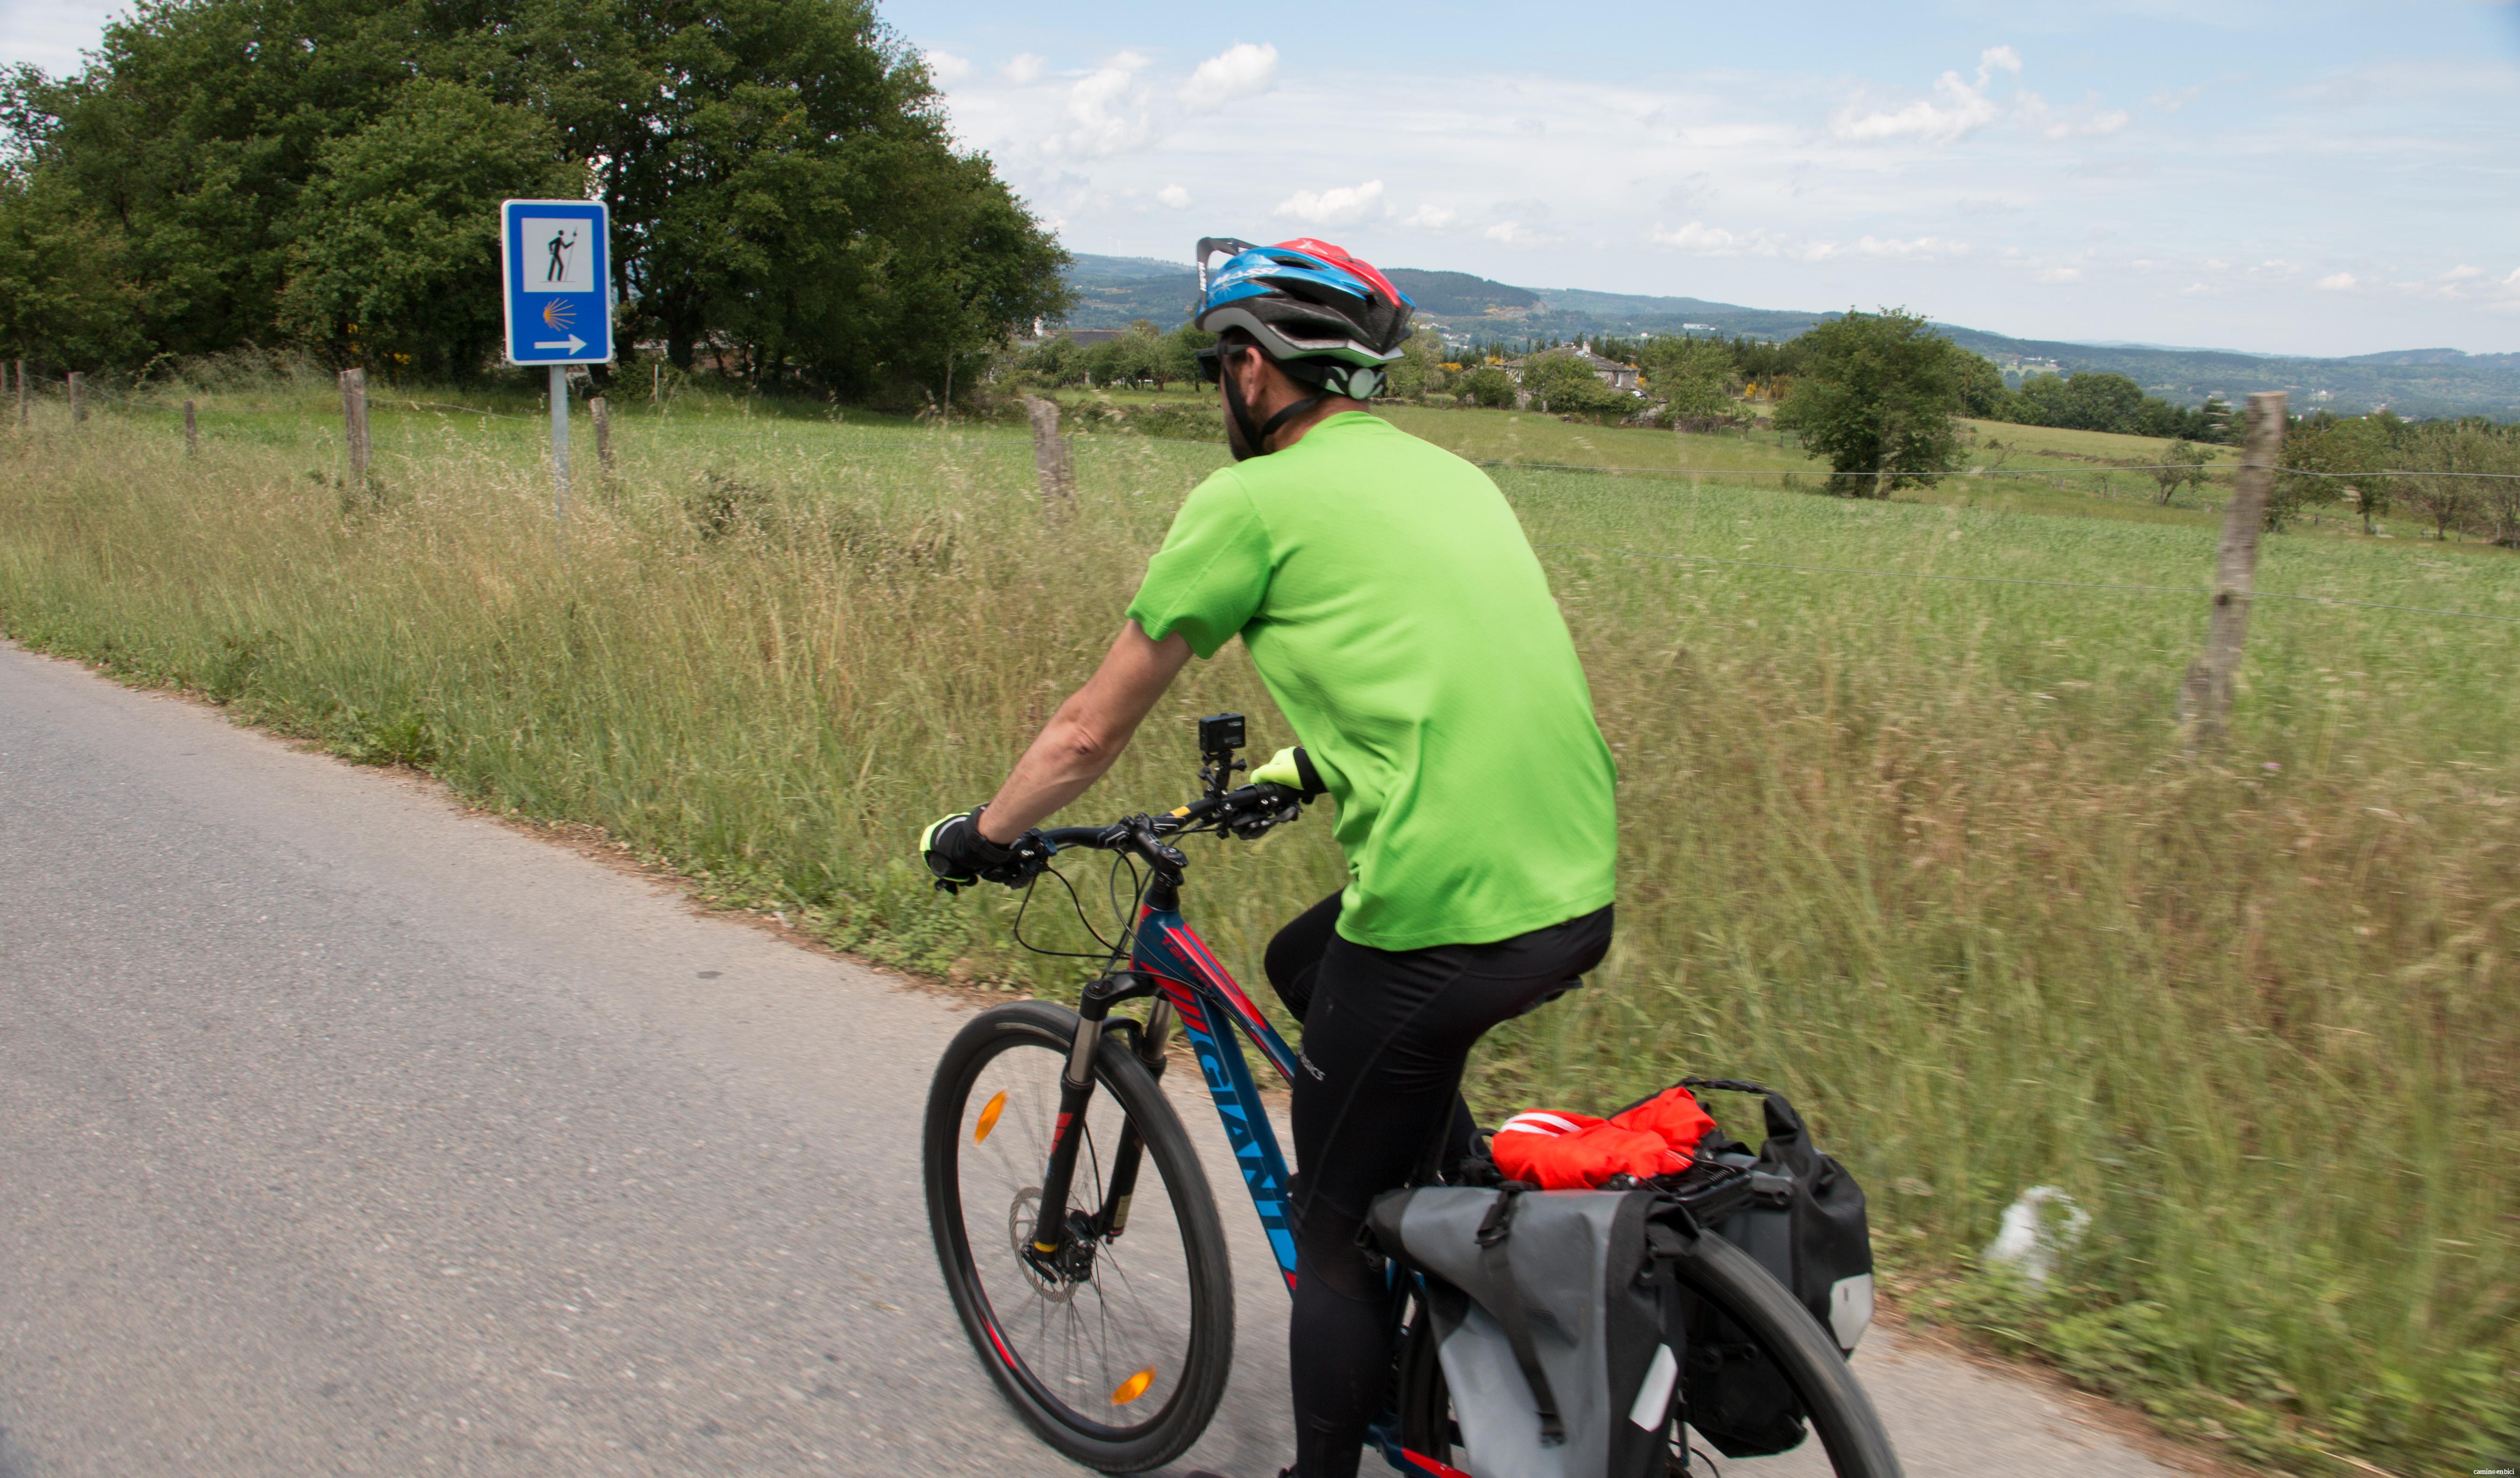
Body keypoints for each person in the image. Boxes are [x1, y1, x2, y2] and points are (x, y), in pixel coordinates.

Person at [921, 237, 1619, 1478]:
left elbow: (1088, 730)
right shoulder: (1454, 479)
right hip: (1572, 887)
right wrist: (1286, 778)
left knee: (1332, 1231)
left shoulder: (1245, 505)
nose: (1218, 385)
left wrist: (984, 832)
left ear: (1253, 366)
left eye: (1218, 363)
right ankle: (1462, 1226)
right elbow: (1424, 682)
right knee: (1308, 960)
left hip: (1448, 909)